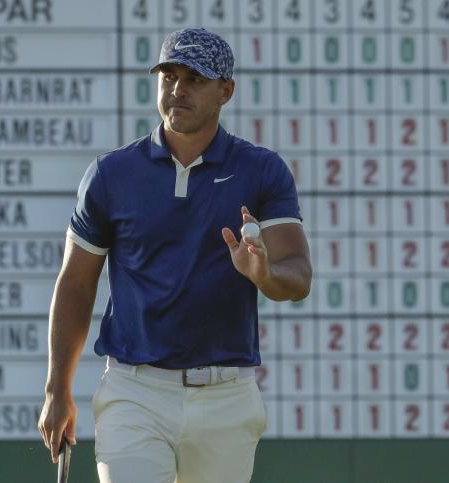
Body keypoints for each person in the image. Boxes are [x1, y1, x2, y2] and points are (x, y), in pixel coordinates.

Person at [38, 27, 312, 483]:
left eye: (195, 79)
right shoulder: (111, 174)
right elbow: (76, 282)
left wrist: (263, 273)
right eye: (169, 77)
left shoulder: (262, 170)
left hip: (227, 396)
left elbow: (298, 277)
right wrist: (56, 388)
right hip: (134, 392)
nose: (178, 90)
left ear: (226, 90)